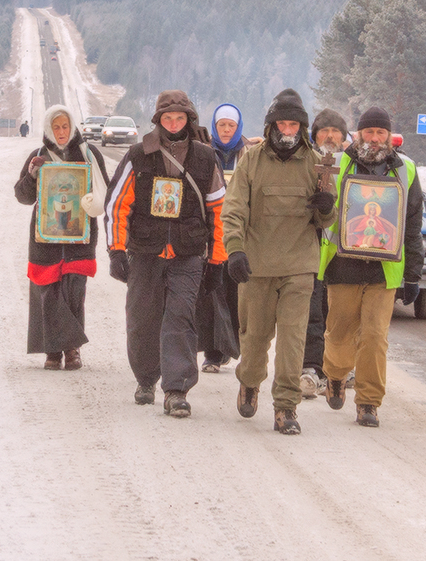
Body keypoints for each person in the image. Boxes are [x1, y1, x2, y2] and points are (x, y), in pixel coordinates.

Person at [106, 91, 227, 418]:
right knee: (142, 316)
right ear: (158, 120)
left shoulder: (205, 158)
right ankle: (145, 378)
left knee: (181, 314)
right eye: (168, 118)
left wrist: (217, 259)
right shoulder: (138, 154)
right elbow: (117, 204)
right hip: (145, 250)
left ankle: (176, 389)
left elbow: (219, 211)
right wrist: (116, 249)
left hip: (188, 252)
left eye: (180, 118)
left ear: (189, 119)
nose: (174, 124)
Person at [222, 89, 336, 435]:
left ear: (301, 128)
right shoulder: (252, 160)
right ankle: (250, 381)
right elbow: (235, 209)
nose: (287, 130)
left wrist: (326, 207)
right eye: (281, 123)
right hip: (257, 264)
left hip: (299, 265)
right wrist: (235, 249)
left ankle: (286, 407)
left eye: (294, 124)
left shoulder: (317, 163)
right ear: (271, 125)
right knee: (254, 339)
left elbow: (327, 222)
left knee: (293, 339)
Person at [318, 106, 424, 428]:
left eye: (381, 133)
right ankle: (335, 375)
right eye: (369, 132)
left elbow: (412, 222)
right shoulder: (337, 163)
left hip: (384, 270)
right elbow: (319, 212)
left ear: (390, 136)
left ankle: (368, 402)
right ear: (359, 134)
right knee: (339, 335)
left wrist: (413, 273)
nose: (375, 139)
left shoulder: (405, 169)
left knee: (375, 337)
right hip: (343, 265)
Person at [13, 104, 109, 371]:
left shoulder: (89, 154)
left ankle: (72, 349)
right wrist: (33, 175)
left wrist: (94, 203)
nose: (62, 131)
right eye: (56, 127)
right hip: (46, 239)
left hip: (80, 239)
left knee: (74, 292)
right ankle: (52, 351)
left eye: (65, 126)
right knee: (49, 292)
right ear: (48, 129)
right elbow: (22, 196)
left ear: (73, 126)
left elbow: (107, 191)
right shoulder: (39, 156)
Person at [198, 103, 255, 373]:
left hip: (240, 236)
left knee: (236, 295)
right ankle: (212, 352)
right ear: (215, 126)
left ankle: (233, 346)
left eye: (231, 125)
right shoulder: (205, 152)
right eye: (222, 125)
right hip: (210, 235)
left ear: (238, 126)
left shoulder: (250, 153)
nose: (226, 130)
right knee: (212, 293)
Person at [300, 108, 349, 399]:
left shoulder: (354, 164)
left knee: (340, 316)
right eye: (324, 131)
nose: (330, 136)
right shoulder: (307, 161)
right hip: (311, 250)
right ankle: (310, 367)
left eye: (335, 131)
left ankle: (338, 369)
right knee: (311, 313)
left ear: (344, 137)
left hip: (343, 253)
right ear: (315, 134)